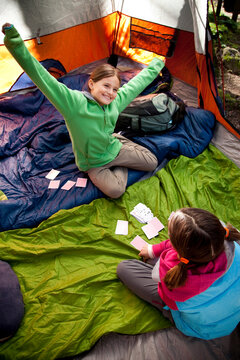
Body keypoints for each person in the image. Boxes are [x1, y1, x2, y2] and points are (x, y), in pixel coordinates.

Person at [2, 23, 165, 198]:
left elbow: (136, 84)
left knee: (152, 162)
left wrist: (157, 64)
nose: (110, 93)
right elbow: (42, 78)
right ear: (92, 84)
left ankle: (120, 141)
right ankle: (119, 159)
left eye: (115, 89)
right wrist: (15, 42)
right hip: (94, 164)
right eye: (106, 86)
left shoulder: (115, 101)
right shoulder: (74, 103)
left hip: (114, 147)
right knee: (116, 191)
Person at [117, 208, 240, 340]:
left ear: (179, 252)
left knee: (124, 268)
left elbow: (168, 296)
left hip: (202, 328)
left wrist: (157, 254)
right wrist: (153, 250)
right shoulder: (229, 238)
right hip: (231, 314)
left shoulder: (175, 281)